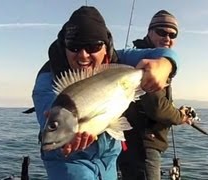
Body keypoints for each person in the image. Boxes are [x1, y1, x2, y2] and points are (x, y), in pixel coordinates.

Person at [32, 6, 179, 180]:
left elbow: (165, 53)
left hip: (108, 158)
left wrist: (165, 65)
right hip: (68, 162)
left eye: (93, 46)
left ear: (105, 46)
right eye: (74, 46)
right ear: (64, 46)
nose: (83, 56)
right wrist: (62, 128)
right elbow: (50, 117)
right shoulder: (47, 79)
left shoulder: (119, 58)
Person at [118, 10, 193, 180]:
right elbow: (157, 108)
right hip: (143, 145)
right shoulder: (149, 64)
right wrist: (180, 116)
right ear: (149, 32)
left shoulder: (156, 59)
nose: (167, 38)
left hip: (134, 145)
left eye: (172, 34)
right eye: (161, 32)